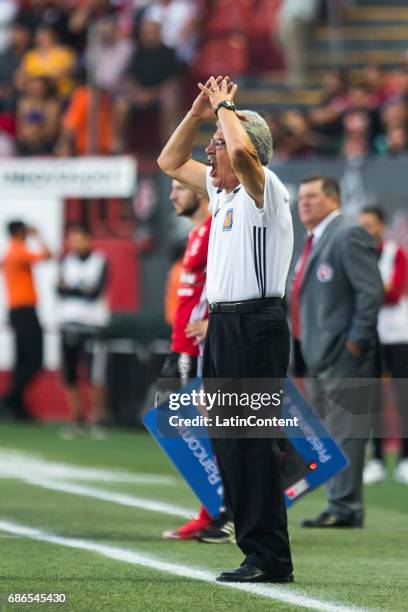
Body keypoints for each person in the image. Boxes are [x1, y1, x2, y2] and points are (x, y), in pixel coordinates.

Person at [158, 75, 294, 583]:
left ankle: (272, 558)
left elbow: (242, 157)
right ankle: (254, 549)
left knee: (253, 442)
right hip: (225, 325)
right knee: (230, 441)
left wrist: (227, 110)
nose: (210, 153)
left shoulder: (265, 189)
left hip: (256, 323)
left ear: (244, 148)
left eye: (216, 143)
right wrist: (197, 114)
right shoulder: (222, 196)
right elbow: (168, 162)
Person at [290, 176, 383, 528]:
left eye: (312, 196)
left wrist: (356, 340)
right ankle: (338, 503)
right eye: (301, 198)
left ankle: (345, 507)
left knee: (345, 432)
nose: (304, 204)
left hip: (344, 354)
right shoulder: (312, 240)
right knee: (328, 432)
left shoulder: (348, 234)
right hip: (317, 353)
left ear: (333, 199)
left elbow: (369, 291)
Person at [160, 179, 214, 540]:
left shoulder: (213, 231)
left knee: (203, 431)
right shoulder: (195, 234)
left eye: (180, 187)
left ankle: (214, 514)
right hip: (181, 344)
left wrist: (214, 321)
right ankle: (213, 510)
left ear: (199, 190)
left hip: (196, 349)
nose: (172, 195)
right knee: (181, 427)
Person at [358, 206, 408, 485]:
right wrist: (376, 291)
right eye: (361, 225)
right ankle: (376, 459)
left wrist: (369, 294)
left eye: (370, 225)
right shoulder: (358, 256)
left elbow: (395, 290)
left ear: (381, 226)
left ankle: (404, 459)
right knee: (372, 399)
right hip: (370, 335)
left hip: (398, 335)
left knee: (403, 397)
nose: (366, 230)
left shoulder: (395, 252)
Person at [57, 224, 109, 438]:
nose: (74, 243)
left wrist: (72, 290)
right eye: (71, 239)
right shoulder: (66, 261)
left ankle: (98, 419)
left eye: (78, 238)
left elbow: (94, 293)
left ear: (88, 239)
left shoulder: (100, 261)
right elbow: (59, 289)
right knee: (70, 375)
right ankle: (77, 419)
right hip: (68, 324)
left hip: (92, 326)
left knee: (94, 375)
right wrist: (79, 290)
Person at [1, 220, 52, 419]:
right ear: (20, 231)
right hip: (24, 311)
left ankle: (15, 404)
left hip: (17, 311)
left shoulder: (10, 253)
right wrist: (38, 235)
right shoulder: (19, 251)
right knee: (34, 360)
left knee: (22, 361)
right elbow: (48, 255)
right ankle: (9, 399)